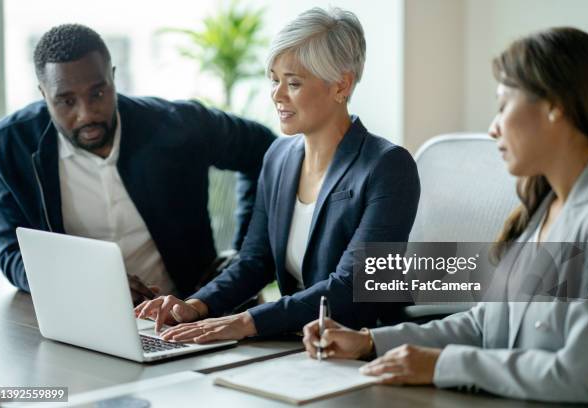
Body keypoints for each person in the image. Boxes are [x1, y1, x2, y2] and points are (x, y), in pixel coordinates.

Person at [302, 27, 588, 403]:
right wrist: (369, 342)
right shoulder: (546, 208)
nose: (493, 128)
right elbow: (484, 326)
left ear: (555, 106)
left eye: (503, 105)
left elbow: (579, 377)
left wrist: (441, 364)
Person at [136, 7, 420, 340]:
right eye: (274, 79)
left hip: (360, 345)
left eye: (293, 83)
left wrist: (247, 322)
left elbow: (351, 289)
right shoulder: (279, 157)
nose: (276, 94)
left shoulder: (387, 166)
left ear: (341, 84)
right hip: (293, 341)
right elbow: (255, 261)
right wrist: (195, 306)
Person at [0, 24, 276, 302]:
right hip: (79, 317)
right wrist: (89, 285)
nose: (86, 114)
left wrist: (244, 256)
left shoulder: (176, 125)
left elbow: (266, 150)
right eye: (66, 101)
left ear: (113, 78)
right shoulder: (6, 147)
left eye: (98, 93)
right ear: (43, 94)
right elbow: (13, 255)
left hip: (187, 317)